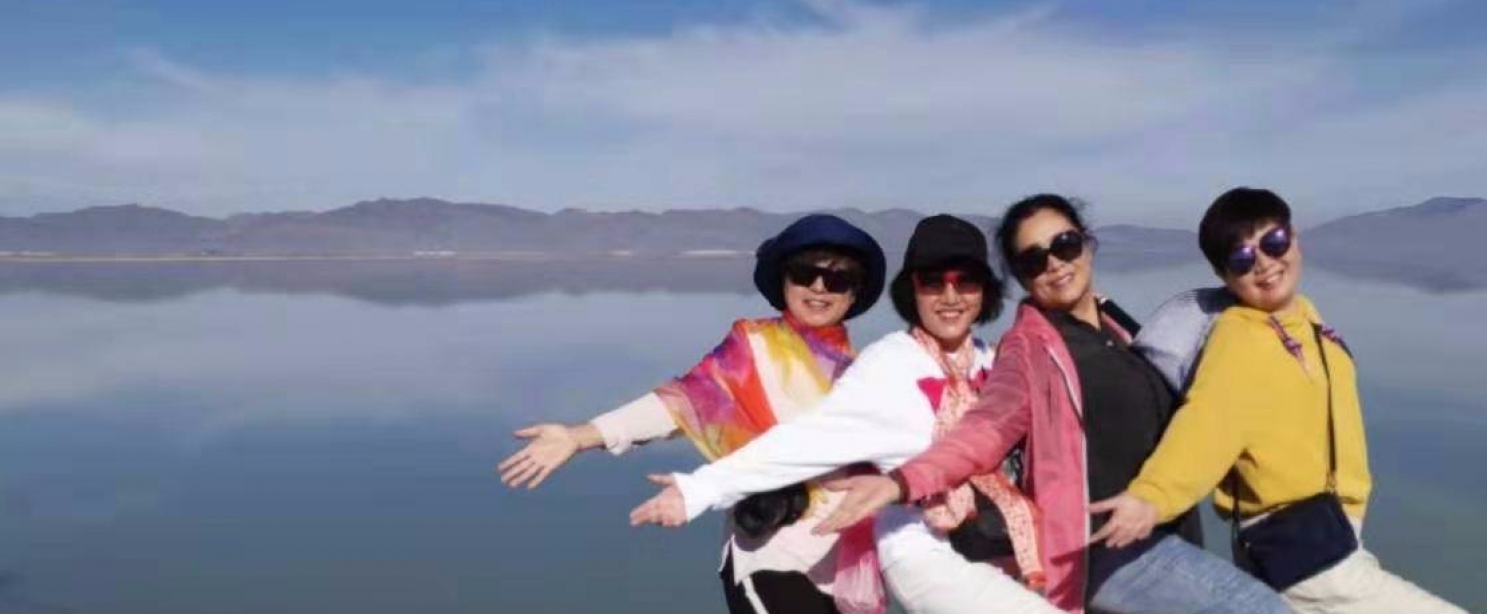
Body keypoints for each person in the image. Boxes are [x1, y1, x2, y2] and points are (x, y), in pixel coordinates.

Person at [811, 195, 1292, 614]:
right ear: (1021, 278)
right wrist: (901, 482)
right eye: (1034, 260)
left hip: (1167, 530)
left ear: (1087, 243)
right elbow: (985, 430)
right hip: (1106, 547)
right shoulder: (1029, 349)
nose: (1055, 264)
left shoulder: (1121, 328)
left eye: (1065, 245)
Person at [626, 215, 1064, 614]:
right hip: (922, 551)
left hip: (994, 546)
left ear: (985, 291)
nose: (950, 296)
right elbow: (806, 440)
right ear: (911, 291)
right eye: (932, 281)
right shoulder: (889, 365)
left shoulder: (994, 364)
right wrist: (699, 489)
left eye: (966, 281)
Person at [1089, 187, 1466, 613]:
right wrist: (1152, 497)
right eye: (1241, 259)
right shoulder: (1241, 337)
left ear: (1293, 237)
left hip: (1331, 535)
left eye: (1273, 242)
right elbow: (1208, 424)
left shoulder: (1305, 317)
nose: (1264, 263)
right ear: (1224, 275)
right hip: (1300, 549)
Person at [496, 214, 888, 614]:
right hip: (772, 558)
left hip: (842, 565)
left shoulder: (865, 370)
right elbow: (679, 403)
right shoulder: (753, 348)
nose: (819, 287)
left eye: (838, 279)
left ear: (854, 294)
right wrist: (579, 436)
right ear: (784, 281)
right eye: (805, 274)